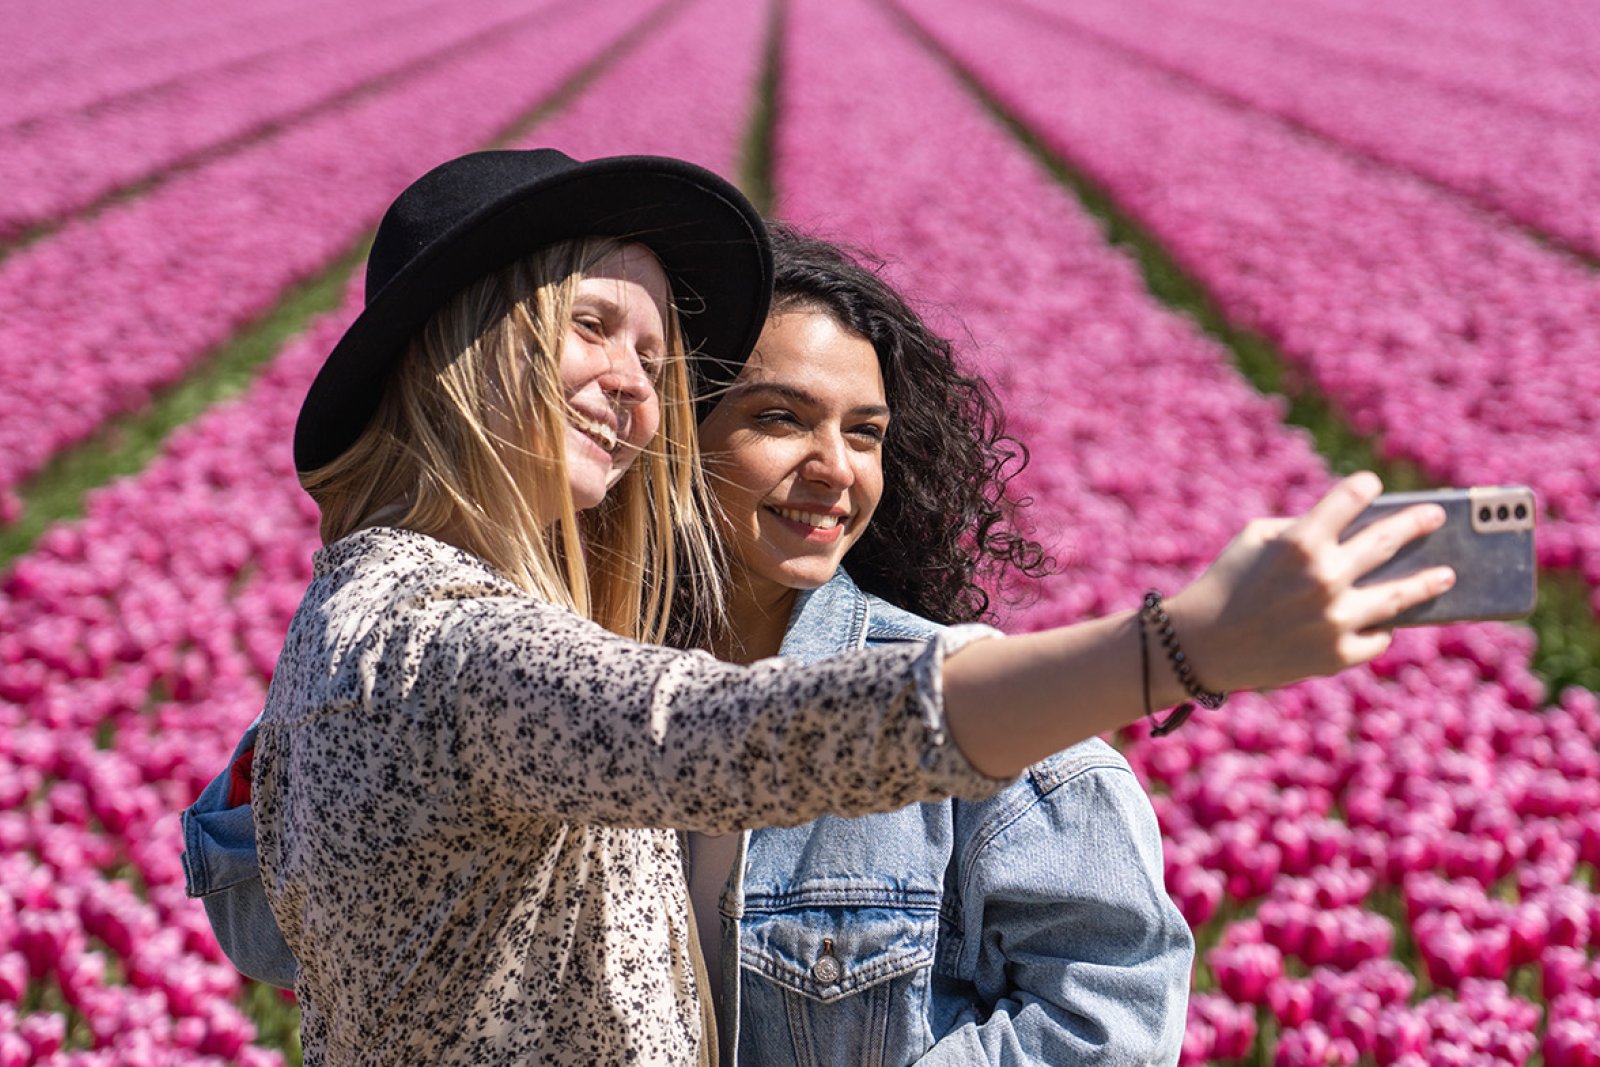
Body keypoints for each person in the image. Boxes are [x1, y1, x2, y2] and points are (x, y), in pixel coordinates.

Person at [183, 147, 1455, 1066]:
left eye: (655, 356)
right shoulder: (451, 644)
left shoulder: (360, 619)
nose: (635, 386)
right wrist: (1169, 648)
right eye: (591, 327)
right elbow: (727, 736)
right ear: (476, 346)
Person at [686, 223, 1191, 1064]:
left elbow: (1111, 1018)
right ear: (673, 434)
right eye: (781, 418)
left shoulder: (982, 721)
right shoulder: (575, 694)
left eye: (865, 432)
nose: (835, 468)